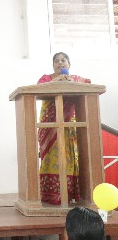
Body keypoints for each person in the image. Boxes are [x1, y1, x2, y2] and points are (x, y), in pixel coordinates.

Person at [38, 52, 90, 205]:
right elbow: (38, 88)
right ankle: (50, 195)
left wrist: (71, 82)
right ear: (53, 65)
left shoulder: (76, 79)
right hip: (50, 127)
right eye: (56, 61)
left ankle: (69, 193)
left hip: (70, 126)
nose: (60, 63)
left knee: (70, 157)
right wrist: (56, 81)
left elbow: (89, 84)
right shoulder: (47, 78)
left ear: (69, 64)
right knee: (51, 157)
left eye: (63, 60)